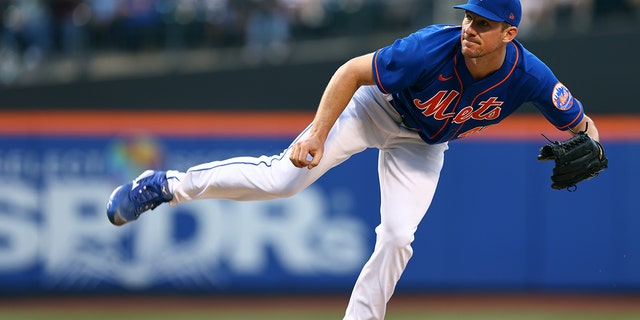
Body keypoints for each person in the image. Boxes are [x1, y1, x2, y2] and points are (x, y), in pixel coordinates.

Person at [106, 0, 604, 319]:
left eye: (485, 22)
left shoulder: (530, 76)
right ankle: (166, 185)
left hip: (424, 145)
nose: (470, 27)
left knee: (397, 237)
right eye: (469, 16)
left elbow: (582, 124)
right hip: (375, 110)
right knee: (283, 180)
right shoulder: (430, 48)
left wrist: (594, 146)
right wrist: (319, 133)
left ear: (510, 34)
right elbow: (351, 72)